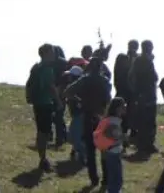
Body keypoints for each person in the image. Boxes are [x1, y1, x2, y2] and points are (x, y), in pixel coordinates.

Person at [65, 55, 113, 187]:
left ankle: (94, 178)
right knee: (104, 149)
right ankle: (106, 179)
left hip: (87, 115)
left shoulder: (84, 80)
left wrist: (80, 100)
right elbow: (108, 99)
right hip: (101, 116)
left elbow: (68, 92)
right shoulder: (105, 82)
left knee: (90, 149)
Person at [26, 43, 60, 172]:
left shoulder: (36, 67)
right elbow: (51, 87)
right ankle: (43, 159)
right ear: (45, 54)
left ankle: (43, 157)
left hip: (37, 102)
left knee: (42, 130)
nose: (54, 55)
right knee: (44, 132)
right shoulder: (47, 69)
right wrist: (58, 101)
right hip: (45, 102)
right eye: (51, 52)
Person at [94, 97, 127, 193]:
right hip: (114, 152)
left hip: (109, 151)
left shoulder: (107, 119)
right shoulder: (114, 121)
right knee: (117, 179)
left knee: (113, 177)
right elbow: (114, 136)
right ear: (117, 108)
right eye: (123, 106)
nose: (125, 108)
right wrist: (123, 137)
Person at [132, 40, 159, 152]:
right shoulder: (145, 60)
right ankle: (147, 144)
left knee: (143, 121)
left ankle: (142, 143)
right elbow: (154, 77)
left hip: (141, 94)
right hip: (147, 94)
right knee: (148, 120)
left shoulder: (137, 60)